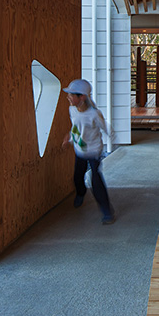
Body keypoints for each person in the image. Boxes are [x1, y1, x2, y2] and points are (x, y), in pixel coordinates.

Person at [61, 78, 115, 224]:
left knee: (96, 182)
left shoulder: (94, 114)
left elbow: (105, 128)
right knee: (77, 177)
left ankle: (107, 212)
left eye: (71, 95)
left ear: (82, 97)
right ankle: (80, 193)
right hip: (80, 151)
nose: (68, 97)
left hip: (94, 152)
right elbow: (76, 128)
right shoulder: (72, 109)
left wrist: (111, 138)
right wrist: (70, 139)